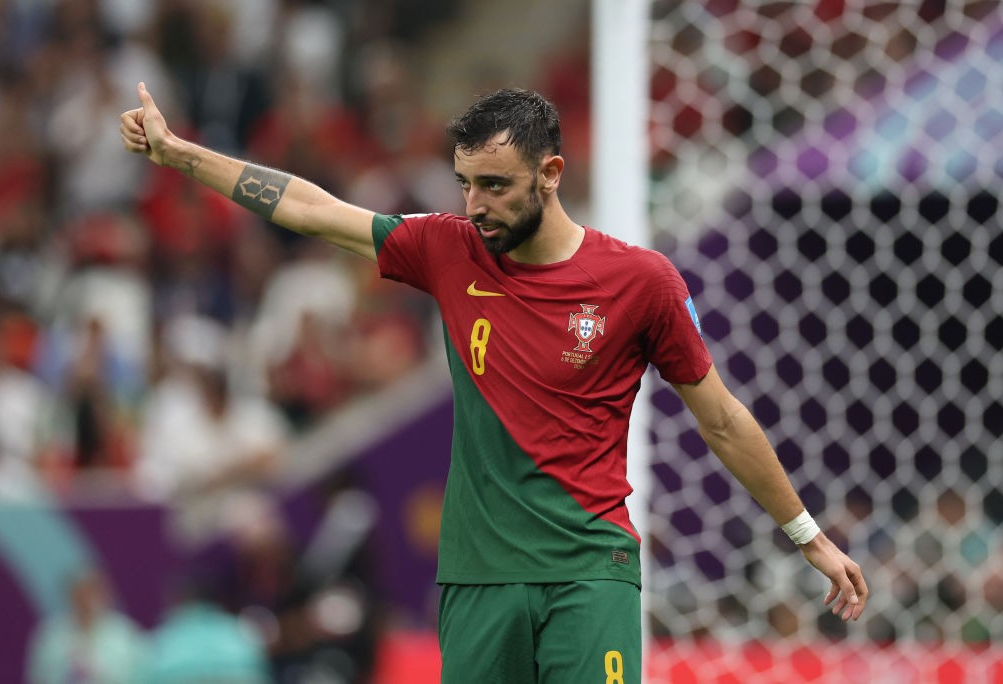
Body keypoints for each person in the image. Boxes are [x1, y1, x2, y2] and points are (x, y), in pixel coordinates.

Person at [119, 82, 868, 683]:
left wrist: (807, 536)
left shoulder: (642, 283)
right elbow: (312, 210)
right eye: (465, 183)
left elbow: (724, 420)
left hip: (588, 572)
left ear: (551, 174)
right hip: (478, 581)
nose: (474, 206)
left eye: (495, 186)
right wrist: (184, 156)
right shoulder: (448, 250)